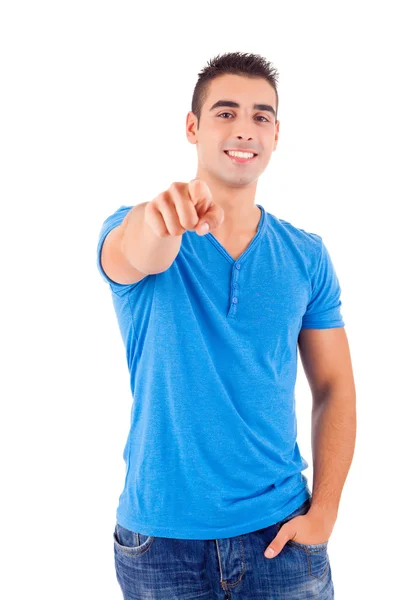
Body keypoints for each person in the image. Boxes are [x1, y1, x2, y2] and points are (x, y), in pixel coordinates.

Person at [96, 52, 356, 599]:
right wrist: (164, 214)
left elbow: (334, 387)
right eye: (225, 112)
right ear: (192, 128)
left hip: (282, 539)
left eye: (261, 116)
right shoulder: (134, 225)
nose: (245, 129)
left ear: (277, 134)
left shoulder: (306, 256)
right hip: (160, 545)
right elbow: (142, 251)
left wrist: (325, 512)